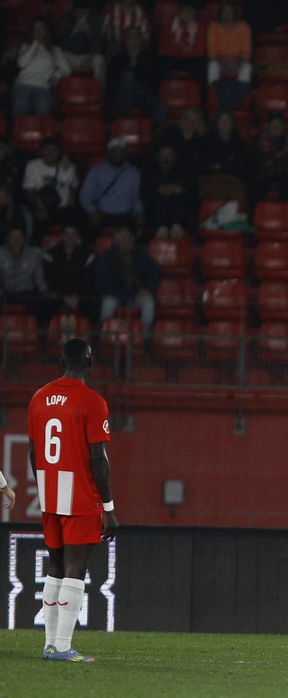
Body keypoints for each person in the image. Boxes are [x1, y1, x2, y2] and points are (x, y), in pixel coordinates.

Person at [27, 336, 117, 663]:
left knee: (54, 567)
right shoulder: (93, 402)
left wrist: (43, 489)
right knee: (75, 569)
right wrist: (108, 507)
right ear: (90, 364)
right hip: (80, 496)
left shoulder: (38, 398)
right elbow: (98, 458)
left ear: (61, 363)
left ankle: (50, 644)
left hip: (51, 492)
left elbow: (33, 452)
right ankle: (62, 647)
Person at [93, 225, 158, 331]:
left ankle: (145, 338)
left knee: (148, 303)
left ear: (132, 238)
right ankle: (104, 334)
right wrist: (126, 296)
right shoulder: (106, 258)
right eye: (121, 239)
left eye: (127, 238)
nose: (125, 242)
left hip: (138, 295)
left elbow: (154, 273)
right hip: (116, 295)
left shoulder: (141, 255)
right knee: (108, 303)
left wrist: (148, 290)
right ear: (114, 241)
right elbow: (103, 285)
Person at [79, 139, 143, 236]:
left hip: (124, 216)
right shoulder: (96, 171)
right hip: (102, 214)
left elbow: (135, 198)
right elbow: (85, 196)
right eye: (114, 151)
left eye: (120, 151)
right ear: (109, 153)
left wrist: (139, 213)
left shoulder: (134, 173)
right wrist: (92, 212)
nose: (118, 154)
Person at [107, 25, 165, 122]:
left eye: (136, 37)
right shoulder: (117, 59)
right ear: (125, 40)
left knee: (162, 107)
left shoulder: (149, 59)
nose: (133, 40)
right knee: (128, 76)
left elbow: (153, 78)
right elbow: (112, 80)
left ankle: (147, 131)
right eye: (130, 37)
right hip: (122, 96)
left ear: (140, 40)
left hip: (142, 95)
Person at [14, 19, 71, 117]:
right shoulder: (26, 46)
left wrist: (56, 75)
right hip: (23, 83)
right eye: (36, 28)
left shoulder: (55, 50)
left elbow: (67, 69)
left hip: (43, 86)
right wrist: (35, 44)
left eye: (41, 28)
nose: (38, 30)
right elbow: (21, 64)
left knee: (43, 107)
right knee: (20, 104)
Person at [22, 138, 81, 231]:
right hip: (43, 208)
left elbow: (74, 185)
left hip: (64, 208)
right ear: (41, 151)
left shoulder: (68, 166)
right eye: (46, 149)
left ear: (59, 151)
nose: (50, 152)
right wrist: (39, 209)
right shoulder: (33, 166)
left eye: (54, 149)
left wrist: (71, 199)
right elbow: (29, 190)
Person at [248, 110, 288, 206]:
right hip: (264, 175)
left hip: (285, 176)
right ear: (268, 126)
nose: (276, 127)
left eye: (279, 124)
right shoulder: (258, 141)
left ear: (283, 126)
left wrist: (274, 163)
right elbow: (254, 161)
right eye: (273, 124)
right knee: (253, 186)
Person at [0, 226, 56, 322]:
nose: (16, 240)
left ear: (24, 238)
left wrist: (44, 290)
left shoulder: (33, 253)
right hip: (5, 293)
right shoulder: (1, 253)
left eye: (19, 237)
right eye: (13, 237)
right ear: (8, 238)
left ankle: (41, 332)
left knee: (43, 305)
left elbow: (39, 275)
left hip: (26, 294)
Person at [205, 1, 252, 113]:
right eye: (224, 12)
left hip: (237, 61)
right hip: (219, 61)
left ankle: (236, 105)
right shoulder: (213, 26)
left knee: (247, 67)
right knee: (212, 66)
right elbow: (212, 51)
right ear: (220, 13)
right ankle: (214, 101)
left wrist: (238, 62)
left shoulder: (244, 27)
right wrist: (223, 62)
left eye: (230, 11)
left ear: (235, 13)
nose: (227, 14)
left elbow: (246, 51)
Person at [143, 143, 197, 237]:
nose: (165, 158)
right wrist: (157, 191)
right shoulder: (150, 174)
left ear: (174, 157)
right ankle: (161, 229)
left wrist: (180, 190)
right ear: (158, 157)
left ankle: (176, 227)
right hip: (156, 220)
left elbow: (194, 196)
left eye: (169, 155)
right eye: (163, 155)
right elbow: (144, 196)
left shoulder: (184, 173)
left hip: (181, 219)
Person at [158, 1, 207, 85]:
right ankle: (157, 94)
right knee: (160, 62)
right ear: (179, 12)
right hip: (173, 59)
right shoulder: (169, 24)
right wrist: (184, 50)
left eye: (190, 11)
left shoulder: (200, 27)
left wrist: (177, 48)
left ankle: (201, 96)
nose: (186, 14)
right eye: (184, 11)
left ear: (194, 13)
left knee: (201, 64)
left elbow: (199, 51)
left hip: (191, 60)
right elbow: (164, 48)